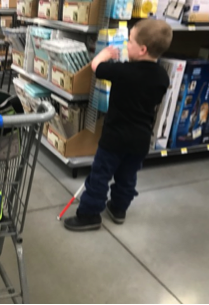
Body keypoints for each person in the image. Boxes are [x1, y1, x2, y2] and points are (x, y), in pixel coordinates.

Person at [64, 19, 173, 231]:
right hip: (140, 139)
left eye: (129, 41)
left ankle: (89, 215)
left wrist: (104, 55)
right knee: (127, 176)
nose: (126, 45)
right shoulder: (162, 77)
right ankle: (119, 208)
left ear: (142, 49)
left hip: (114, 137)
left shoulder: (124, 72)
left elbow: (99, 68)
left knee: (100, 176)